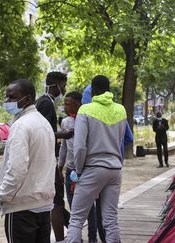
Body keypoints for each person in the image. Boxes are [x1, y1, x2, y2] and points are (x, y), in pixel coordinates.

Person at [67, 75, 127, 242]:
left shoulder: (85, 110)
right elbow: (121, 141)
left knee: (77, 219)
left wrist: (78, 171)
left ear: (92, 91)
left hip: (92, 169)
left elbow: (79, 147)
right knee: (110, 220)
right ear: (109, 90)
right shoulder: (121, 110)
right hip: (115, 170)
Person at [0, 79, 56, 243]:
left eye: (12, 97)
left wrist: (2, 194)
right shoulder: (43, 123)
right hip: (42, 204)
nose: (7, 102)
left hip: (22, 207)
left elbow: (16, 169)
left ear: (28, 99)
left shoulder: (21, 125)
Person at [35, 71, 72, 242]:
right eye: (63, 85)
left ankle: (71, 228)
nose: (64, 89)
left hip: (49, 160)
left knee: (56, 199)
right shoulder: (45, 103)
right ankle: (60, 239)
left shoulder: (46, 102)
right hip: (45, 160)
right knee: (56, 202)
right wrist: (63, 134)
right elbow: (43, 132)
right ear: (56, 83)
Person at [58, 91, 98, 243]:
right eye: (64, 104)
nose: (65, 107)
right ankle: (77, 238)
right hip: (70, 170)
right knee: (74, 206)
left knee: (89, 206)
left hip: (86, 169)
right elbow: (64, 147)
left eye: (67, 104)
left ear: (77, 103)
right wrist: (59, 166)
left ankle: (92, 238)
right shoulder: (66, 122)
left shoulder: (87, 119)